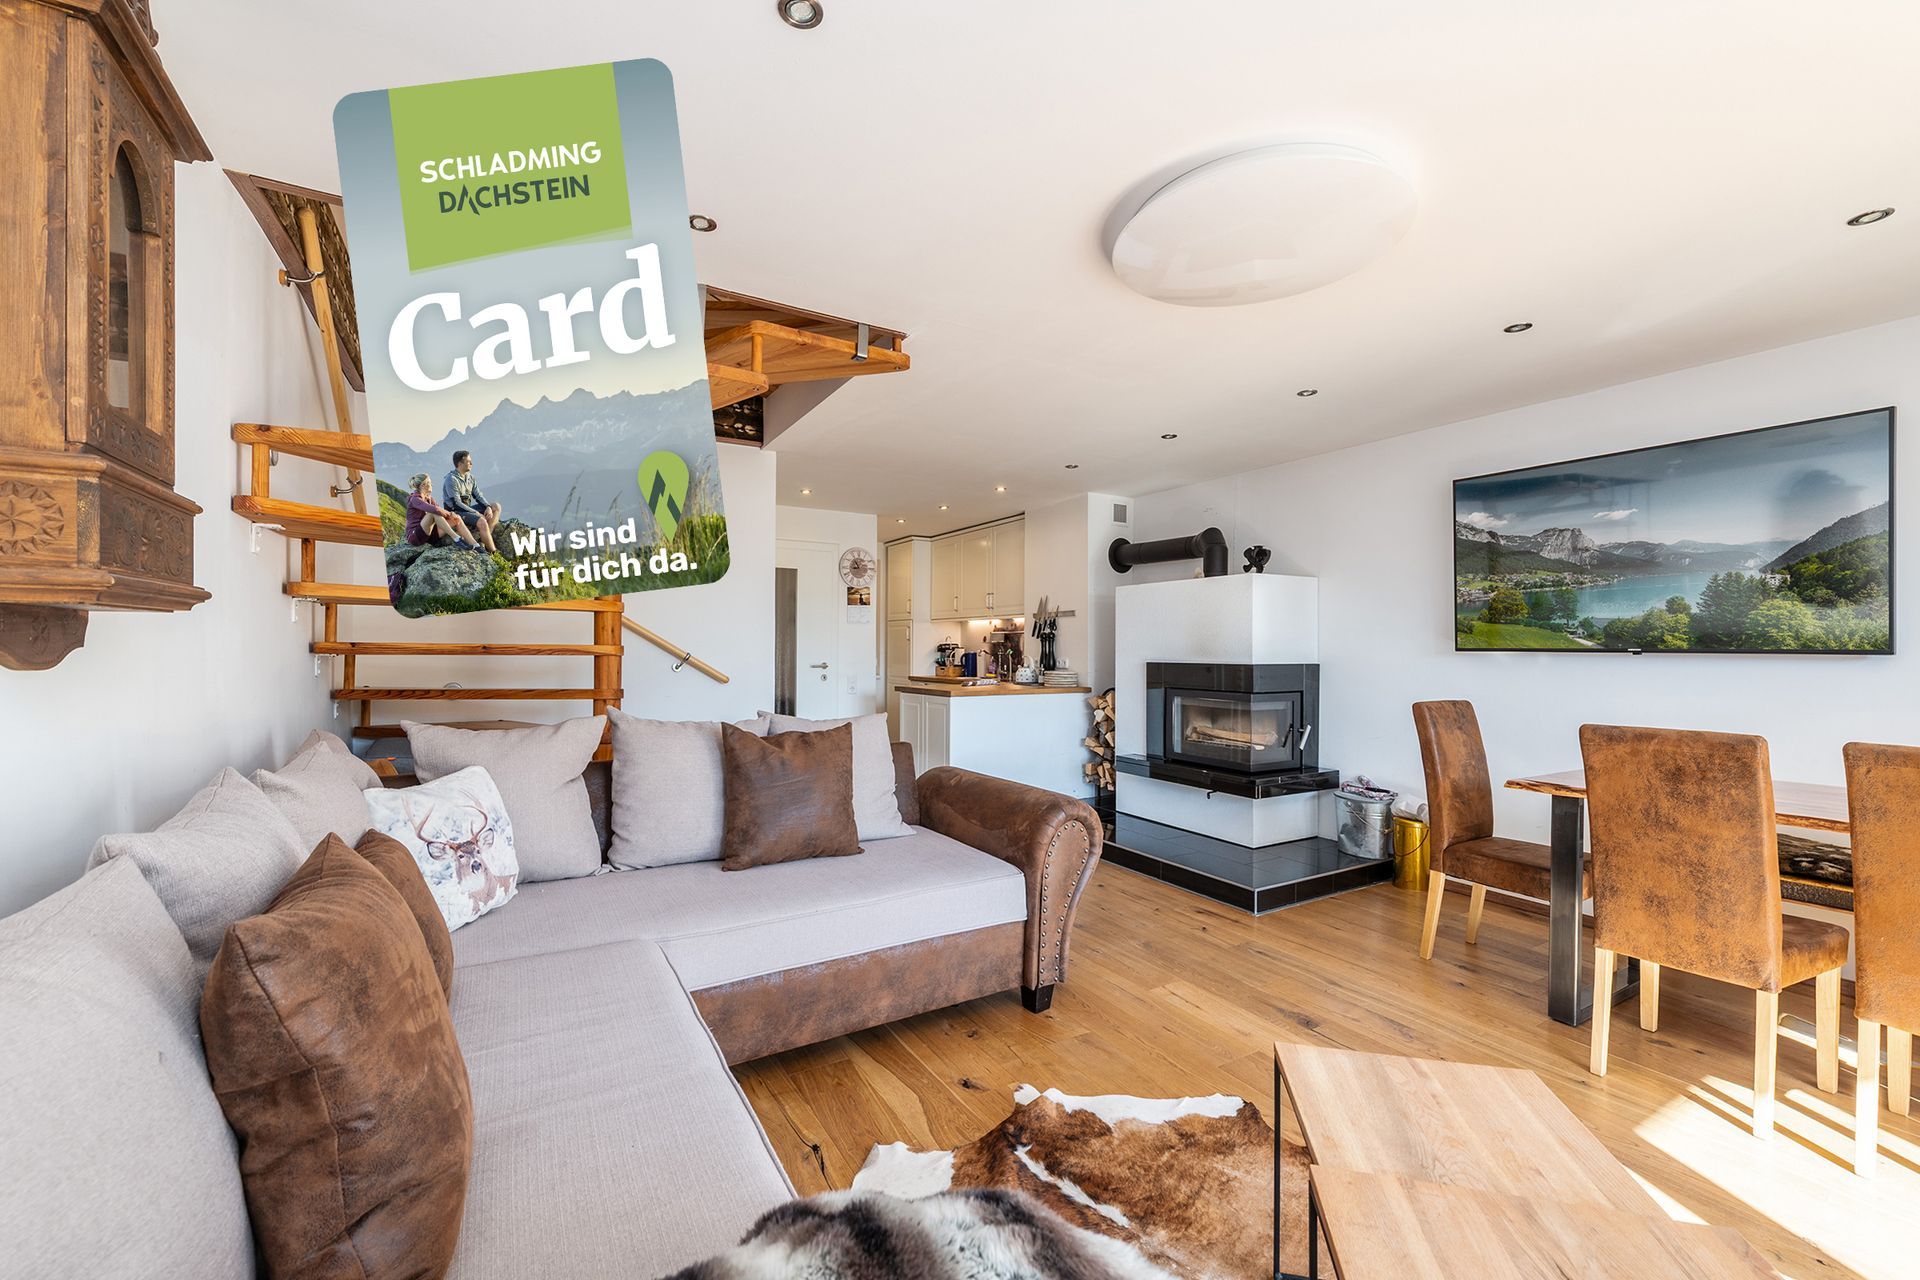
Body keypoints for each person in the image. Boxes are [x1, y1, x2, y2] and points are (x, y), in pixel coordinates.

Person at [403, 473, 484, 552]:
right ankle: (457, 539)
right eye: (429, 482)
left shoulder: (429, 498)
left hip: (430, 535)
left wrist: (452, 516)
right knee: (433, 513)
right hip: (416, 536)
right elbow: (435, 510)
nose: (432, 484)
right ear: (423, 485)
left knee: (457, 519)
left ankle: (475, 545)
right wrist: (450, 514)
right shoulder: (415, 499)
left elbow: (439, 510)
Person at [442, 450, 500, 553]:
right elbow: (456, 503)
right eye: (468, 461)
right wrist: (475, 512)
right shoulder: (451, 479)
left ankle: (487, 538)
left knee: (495, 507)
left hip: (467, 509)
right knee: (482, 521)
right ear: (460, 463)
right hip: (456, 512)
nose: (471, 464)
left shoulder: (470, 477)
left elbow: (478, 495)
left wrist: (487, 506)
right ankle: (493, 552)